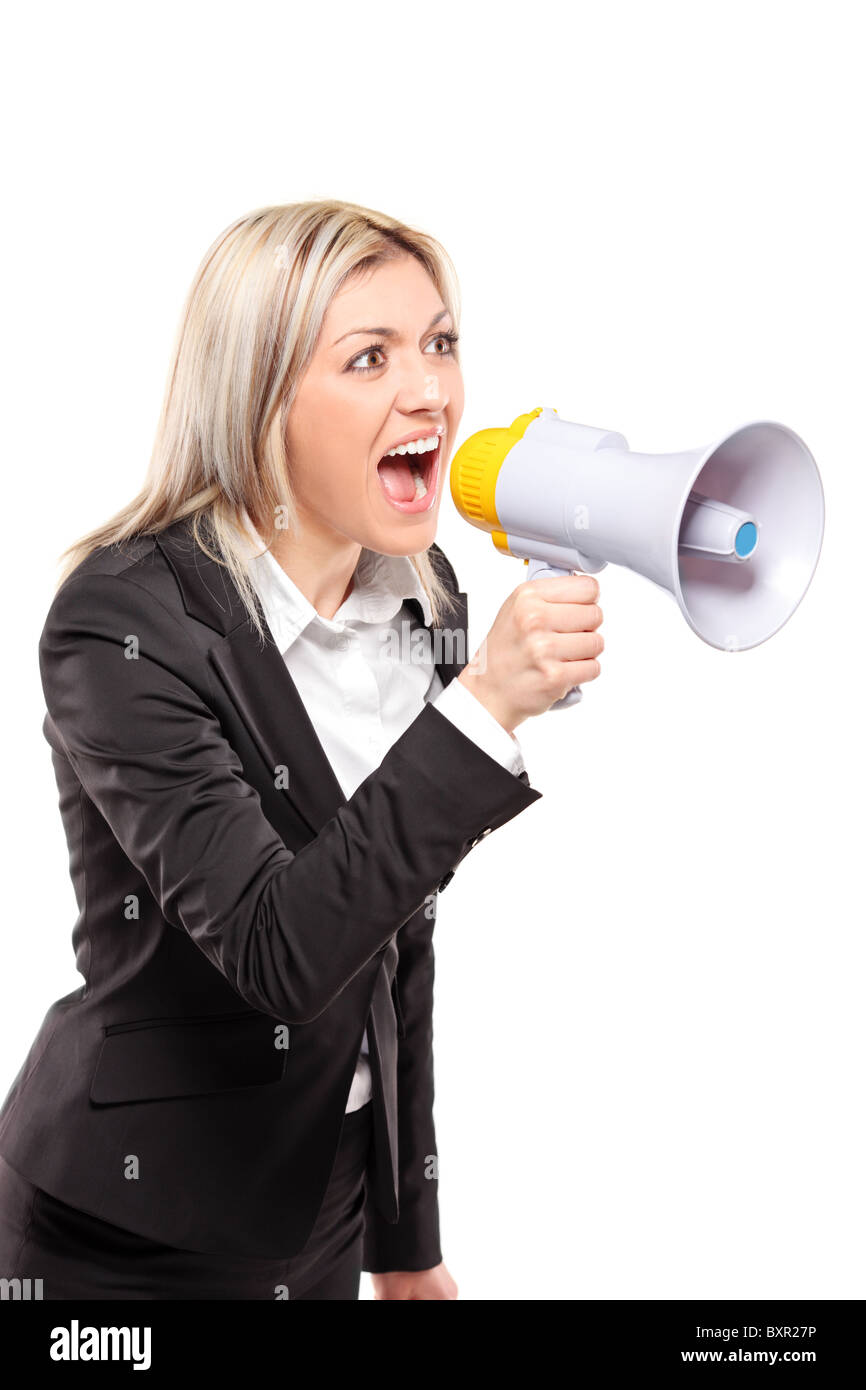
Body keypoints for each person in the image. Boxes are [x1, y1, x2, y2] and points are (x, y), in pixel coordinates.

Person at [0, 200, 604, 1300]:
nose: (429, 390)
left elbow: (393, 939)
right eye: (367, 358)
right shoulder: (118, 623)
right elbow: (279, 954)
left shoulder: (425, 602)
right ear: (260, 400)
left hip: (320, 1207)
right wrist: (480, 710)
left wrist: (404, 1232)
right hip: (129, 1235)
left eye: (438, 342)